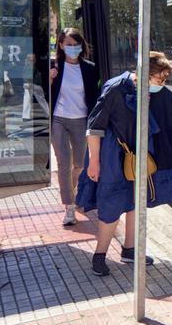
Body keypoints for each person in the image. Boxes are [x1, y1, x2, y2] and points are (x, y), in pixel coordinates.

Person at [77, 51, 172, 276]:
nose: (163, 83)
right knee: (112, 204)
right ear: (143, 74)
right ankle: (99, 256)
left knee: (136, 203)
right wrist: (94, 162)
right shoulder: (116, 88)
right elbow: (94, 127)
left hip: (141, 156)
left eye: (165, 79)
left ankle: (129, 250)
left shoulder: (160, 93)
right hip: (112, 156)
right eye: (160, 79)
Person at [50, 28, 100, 226]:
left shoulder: (89, 68)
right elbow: (39, 91)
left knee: (79, 164)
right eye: (68, 45)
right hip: (58, 119)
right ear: (61, 45)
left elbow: (95, 97)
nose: (72, 48)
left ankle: (72, 190)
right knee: (63, 163)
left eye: (75, 44)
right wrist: (49, 78)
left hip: (81, 120)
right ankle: (69, 206)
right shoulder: (55, 67)